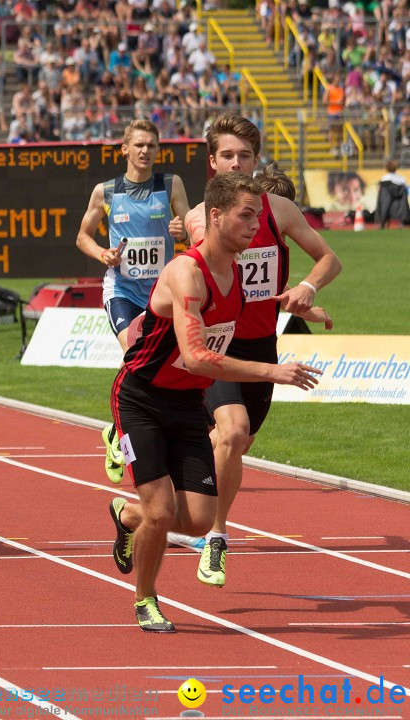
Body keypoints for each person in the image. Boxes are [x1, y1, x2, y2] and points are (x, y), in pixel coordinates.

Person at [109, 172, 323, 633]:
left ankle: (128, 515)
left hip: (186, 404)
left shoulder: (237, 278)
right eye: (245, 216)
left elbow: (251, 316)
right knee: (163, 511)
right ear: (215, 216)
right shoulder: (187, 273)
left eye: (258, 217)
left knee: (200, 521)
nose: (254, 225)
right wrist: (271, 371)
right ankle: (146, 598)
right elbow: (197, 356)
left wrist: (306, 307)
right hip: (140, 400)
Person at [180, 114, 341, 587]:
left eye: (245, 156)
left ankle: (146, 510)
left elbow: (330, 258)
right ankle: (217, 536)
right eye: (227, 155)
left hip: (262, 347)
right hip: (218, 345)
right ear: (212, 162)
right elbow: (205, 280)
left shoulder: (279, 210)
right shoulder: (200, 219)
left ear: (256, 159)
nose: (236, 163)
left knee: (233, 444)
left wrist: (305, 290)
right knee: (233, 432)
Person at [75, 119, 191, 485]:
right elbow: (82, 236)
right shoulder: (105, 192)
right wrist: (102, 254)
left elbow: (189, 225)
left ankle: (116, 432)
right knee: (137, 355)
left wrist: (182, 229)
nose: (145, 151)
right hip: (122, 291)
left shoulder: (170, 185)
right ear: (124, 149)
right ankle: (125, 439)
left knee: (155, 366)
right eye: (139, 145)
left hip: (162, 294)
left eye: (151, 146)